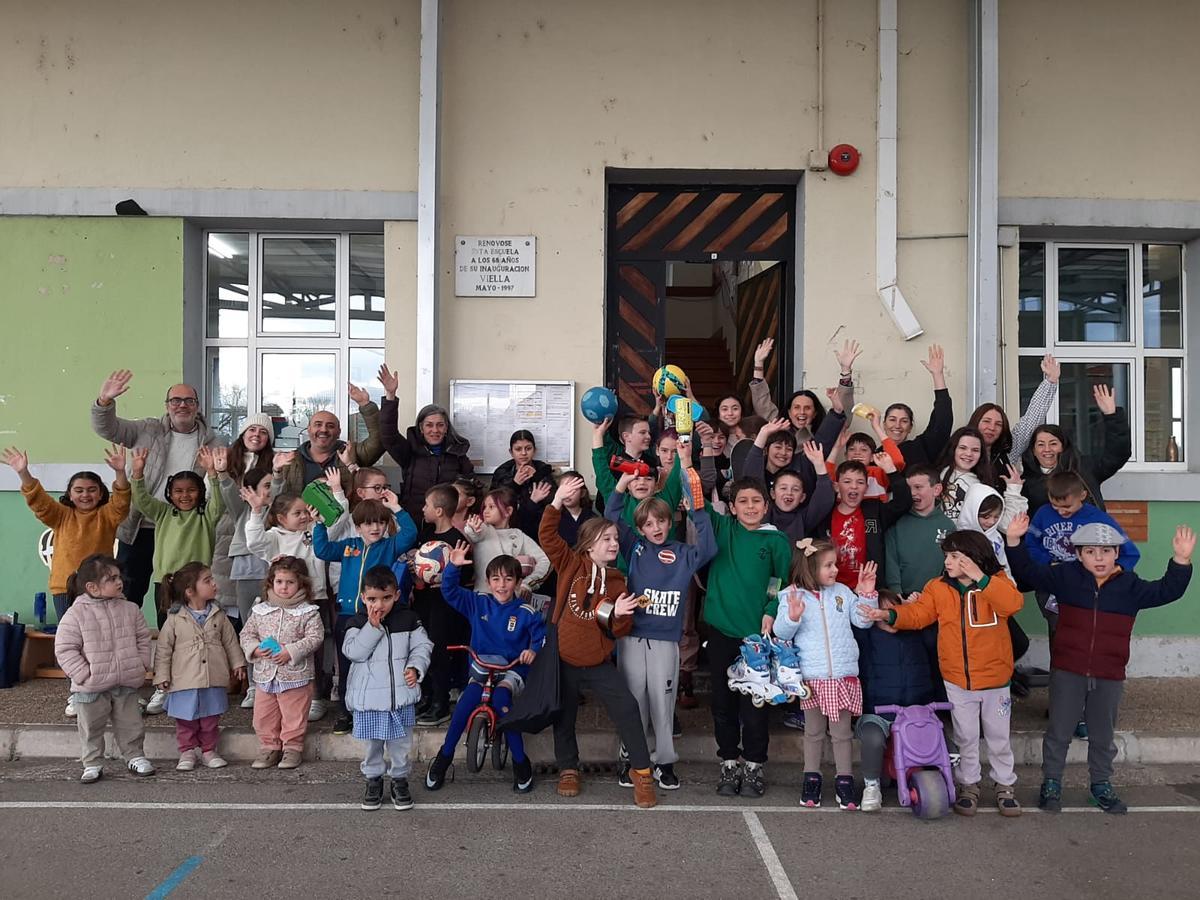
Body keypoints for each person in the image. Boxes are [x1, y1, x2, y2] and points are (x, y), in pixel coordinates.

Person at [1006, 516, 1194, 814]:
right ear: (1078, 554)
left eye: (1106, 551)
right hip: (1067, 671)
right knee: (1059, 732)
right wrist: (1014, 541)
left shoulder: (1130, 586)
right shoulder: (1065, 577)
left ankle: (1101, 784)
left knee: (1102, 735)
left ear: (1117, 553)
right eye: (1091, 551)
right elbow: (1027, 571)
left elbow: (1166, 591)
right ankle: (1051, 783)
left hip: (1109, 674)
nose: (1099, 557)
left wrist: (1181, 561)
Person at [859, 530, 1025, 817]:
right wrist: (890, 615)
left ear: (973, 558)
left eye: (955, 556)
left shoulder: (997, 582)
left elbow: (1012, 604)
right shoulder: (937, 587)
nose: (947, 561)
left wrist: (981, 578)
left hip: (995, 680)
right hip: (957, 680)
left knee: (998, 737)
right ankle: (969, 785)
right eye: (946, 556)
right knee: (966, 736)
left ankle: (1005, 785)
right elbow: (919, 615)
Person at [539, 475, 658, 808]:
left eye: (616, 538)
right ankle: (568, 768)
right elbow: (547, 536)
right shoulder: (570, 563)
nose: (614, 544)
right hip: (564, 659)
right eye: (606, 539)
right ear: (589, 544)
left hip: (597, 662)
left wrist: (619, 614)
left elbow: (618, 630)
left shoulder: (619, 582)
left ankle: (642, 773)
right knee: (564, 715)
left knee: (628, 709)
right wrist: (556, 500)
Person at [605, 447, 717, 791]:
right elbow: (611, 513)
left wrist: (698, 510)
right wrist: (622, 483)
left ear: (671, 522)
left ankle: (664, 762)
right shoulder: (634, 548)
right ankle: (632, 757)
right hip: (632, 637)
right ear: (639, 529)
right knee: (634, 699)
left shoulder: (683, 553)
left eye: (661, 521)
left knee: (662, 701)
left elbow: (709, 548)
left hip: (666, 641)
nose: (655, 528)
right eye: (648, 524)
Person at [90, 369, 224, 614]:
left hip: (185, 531)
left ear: (197, 406)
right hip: (141, 525)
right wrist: (104, 402)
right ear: (167, 405)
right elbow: (108, 429)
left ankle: (173, 636)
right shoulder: (148, 429)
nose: (182, 405)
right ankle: (123, 635)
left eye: (188, 401)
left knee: (178, 595)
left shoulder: (214, 443)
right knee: (127, 591)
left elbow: (223, 483)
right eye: (176, 400)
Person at [425, 544, 545, 794]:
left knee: (502, 700)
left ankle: (521, 763)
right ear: (488, 582)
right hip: (481, 667)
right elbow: (449, 591)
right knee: (465, 704)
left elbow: (540, 636)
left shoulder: (526, 612)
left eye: (508, 579)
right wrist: (453, 567)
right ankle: (443, 758)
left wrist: (532, 650)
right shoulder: (478, 602)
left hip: (511, 669)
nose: (502, 585)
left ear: (518, 582)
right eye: (496, 579)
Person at [703, 477, 793, 798]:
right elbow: (695, 499)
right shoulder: (723, 529)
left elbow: (778, 581)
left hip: (756, 638)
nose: (750, 507)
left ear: (766, 506)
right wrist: (685, 461)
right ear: (732, 507)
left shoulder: (776, 541)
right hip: (721, 632)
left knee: (755, 705)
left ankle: (754, 764)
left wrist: (771, 607)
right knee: (722, 703)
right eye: (743, 501)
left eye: (756, 501)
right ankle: (729, 761)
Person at [774, 541, 878, 810]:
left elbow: (863, 621)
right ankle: (811, 779)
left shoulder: (842, 592)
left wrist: (867, 594)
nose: (835, 570)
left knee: (842, 733)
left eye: (835, 564)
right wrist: (792, 617)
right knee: (813, 732)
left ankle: (845, 780)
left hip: (842, 675)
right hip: (813, 677)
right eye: (828, 565)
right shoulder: (792, 595)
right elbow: (781, 632)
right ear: (810, 567)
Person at [313, 494, 419, 735]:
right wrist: (319, 524)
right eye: (369, 523)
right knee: (346, 667)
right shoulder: (349, 546)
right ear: (358, 526)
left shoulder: (390, 545)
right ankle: (345, 712)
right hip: (348, 615)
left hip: (380, 617)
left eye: (381, 522)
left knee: (376, 666)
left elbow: (410, 534)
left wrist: (396, 508)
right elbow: (322, 550)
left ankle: (374, 709)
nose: (376, 528)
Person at [53, 554, 155, 783]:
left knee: (131, 723)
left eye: (119, 577)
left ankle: (135, 756)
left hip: (126, 680)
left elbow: (143, 638)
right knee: (90, 727)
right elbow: (65, 648)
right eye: (111, 579)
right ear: (92, 587)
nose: (119, 582)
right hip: (91, 686)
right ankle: (92, 763)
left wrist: (141, 663)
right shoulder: (76, 614)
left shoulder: (130, 609)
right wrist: (84, 674)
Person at [4, 445, 130, 626]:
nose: (85, 495)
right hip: (64, 589)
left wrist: (120, 472)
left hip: (102, 586)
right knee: (70, 635)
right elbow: (39, 501)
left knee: (99, 634)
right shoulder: (61, 515)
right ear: (70, 494)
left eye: (91, 490)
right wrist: (23, 473)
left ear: (101, 493)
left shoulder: (107, 515)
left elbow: (121, 502)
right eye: (79, 490)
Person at [343, 566, 433, 812]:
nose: (379, 605)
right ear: (363, 597)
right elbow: (353, 652)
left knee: (401, 745)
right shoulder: (357, 622)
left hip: (400, 697)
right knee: (372, 745)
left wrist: (415, 667)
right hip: (369, 700)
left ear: (397, 595)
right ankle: (373, 780)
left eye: (386, 598)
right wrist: (372, 627)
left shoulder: (409, 619)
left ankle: (399, 780)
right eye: (372, 599)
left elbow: (422, 647)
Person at [243, 487, 331, 719]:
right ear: (282, 518)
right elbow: (254, 541)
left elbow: (335, 525)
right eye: (297, 513)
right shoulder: (274, 537)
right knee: (281, 648)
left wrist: (320, 517)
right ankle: (277, 691)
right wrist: (256, 511)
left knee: (313, 650)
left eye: (305, 511)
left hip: (314, 597)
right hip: (280, 604)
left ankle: (315, 697)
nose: (304, 516)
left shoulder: (314, 529)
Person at [153, 562, 247, 771]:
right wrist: (161, 675)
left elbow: (230, 641)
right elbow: (163, 649)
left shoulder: (219, 615)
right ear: (190, 591)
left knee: (210, 719)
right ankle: (187, 751)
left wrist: (238, 663)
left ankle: (208, 750)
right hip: (183, 679)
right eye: (207, 580)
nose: (214, 583)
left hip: (213, 677)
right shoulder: (175, 618)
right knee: (185, 720)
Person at [129, 445, 226, 640]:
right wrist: (138, 473)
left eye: (191, 490)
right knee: (167, 629)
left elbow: (219, 503)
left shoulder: (206, 515)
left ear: (200, 492)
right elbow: (141, 500)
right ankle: (170, 660)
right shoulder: (163, 512)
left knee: (197, 628)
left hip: (197, 583)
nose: (185, 495)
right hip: (166, 582)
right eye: (178, 491)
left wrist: (211, 472)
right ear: (170, 494)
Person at [855, 589, 938, 812]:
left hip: (916, 711)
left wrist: (915, 609)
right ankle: (871, 786)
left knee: (942, 743)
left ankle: (940, 780)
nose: (887, 615)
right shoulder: (867, 637)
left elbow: (934, 639)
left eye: (893, 610)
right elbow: (857, 627)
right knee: (873, 739)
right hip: (878, 712)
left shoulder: (916, 634)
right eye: (881, 610)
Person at [239, 556, 325, 770]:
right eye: (279, 582)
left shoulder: (308, 612)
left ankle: (292, 748)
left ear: (301, 584)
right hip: (265, 675)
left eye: (290, 582)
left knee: (294, 715)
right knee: (263, 715)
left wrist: (291, 651)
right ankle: (269, 747)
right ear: (271, 582)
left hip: (295, 675)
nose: (284, 587)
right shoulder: (260, 610)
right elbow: (246, 634)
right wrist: (255, 648)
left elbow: (315, 637)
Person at [408, 484, 473, 726]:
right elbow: (419, 572)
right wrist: (416, 571)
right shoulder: (425, 536)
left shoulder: (458, 541)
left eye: (426, 505)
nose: (422, 509)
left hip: (445, 606)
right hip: (424, 601)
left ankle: (441, 702)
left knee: (439, 651)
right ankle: (426, 697)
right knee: (422, 647)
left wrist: (447, 577)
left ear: (439, 511)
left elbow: (467, 575)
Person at [378, 366, 474, 523]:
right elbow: (389, 436)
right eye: (429, 425)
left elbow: (470, 490)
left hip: (447, 525)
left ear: (446, 428)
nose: (435, 430)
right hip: (414, 522)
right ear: (421, 428)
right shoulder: (409, 452)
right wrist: (390, 396)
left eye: (440, 425)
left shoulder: (458, 455)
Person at [1020, 384, 1130, 516]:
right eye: (1041, 444)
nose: (1047, 449)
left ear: (1063, 446)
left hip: (1087, 529)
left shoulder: (1083, 468)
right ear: (1033, 450)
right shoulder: (1025, 481)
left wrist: (1112, 416)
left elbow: (1117, 454)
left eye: (1053, 443)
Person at [213, 413, 275, 626]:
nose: (257, 435)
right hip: (228, 533)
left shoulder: (273, 463)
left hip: (258, 534)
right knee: (228, 594)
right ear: (243, 433)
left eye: (263, 431)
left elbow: (277, 494)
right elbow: (214, 495)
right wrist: (219, 471)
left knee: (259, 601)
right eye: (252, 429)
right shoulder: (226, 458)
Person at [270, 384, 386, 498]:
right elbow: (278, 498)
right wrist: (277, 471)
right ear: (309, 429)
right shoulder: (291, 460)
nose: (324, 430)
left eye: (330, 426)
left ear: (339, 432)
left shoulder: (351, 452)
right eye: (318, 424)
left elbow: (379, 440)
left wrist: (365, 405)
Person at [821, 456, 911, 591]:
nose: (854, 486)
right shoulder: (825, 514)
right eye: (847, 481)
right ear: (837, 486)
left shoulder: (874, 510)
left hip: (869, 589)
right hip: (832, 590)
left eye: (860, 482)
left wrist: (891, 470)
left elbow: (904, 502)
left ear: (866, 488)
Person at [748, 337, 859, 445]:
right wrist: (758, 363)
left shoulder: (824, 432)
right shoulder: (778, 428)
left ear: (815, 413)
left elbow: (843, 417)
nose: (802, 412)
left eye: (807, 408)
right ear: (789, 412)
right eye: (796, 407)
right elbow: (762, 404)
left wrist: (846, 371)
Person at [967, 352, 1059, 474]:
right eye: (986, 421)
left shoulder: (1008, 451)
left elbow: (1030, 420)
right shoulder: (960, 448)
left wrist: (1050, 381)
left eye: (998, 424)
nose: (992, 427)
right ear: (975, 421)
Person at [741, 435, 834, 541]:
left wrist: (820, 466)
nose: (789, 493)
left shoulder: (803, 518)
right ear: (773, 493)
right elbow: (752, 478)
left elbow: (824, 501)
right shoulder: (763, 512)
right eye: (783, 488)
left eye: (795, 489)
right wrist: (764, 432)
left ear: (802, 497)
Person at [462, 487, 551, 595]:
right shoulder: (484, 529)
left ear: (508, 511)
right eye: (484, 507)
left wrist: (527, 584)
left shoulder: (519, 535)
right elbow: (474, 534)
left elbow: (545, 561)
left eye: (491, 507)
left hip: (512, 598)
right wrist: (472, 528)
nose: (485, 511)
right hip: (483, 597)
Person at [883, 465, 955, 595]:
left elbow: (950, 567)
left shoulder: (948, 526)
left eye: (918, 487)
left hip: (935, 597)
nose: (912, 493)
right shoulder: (896, 522)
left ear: (936, 489)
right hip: (902, 598)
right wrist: (897, 594)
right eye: (908, 488)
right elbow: (891, 561)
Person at [879, 344, 953, 467]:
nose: (897, 425)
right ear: (884, 425)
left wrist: (938, 375)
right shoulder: (875, 455)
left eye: (904, 421)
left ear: (910, 427)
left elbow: (943, 421)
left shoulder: (921, 448)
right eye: (892, 420)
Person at [491, 429, 556, 538]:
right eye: (518, 449)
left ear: (534, 450)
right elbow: (495, 502)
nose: (524, 453)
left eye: (528, 448)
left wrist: (536, 478)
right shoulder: (502, 472)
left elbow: (553, 501)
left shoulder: (543, 470)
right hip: (510, 526)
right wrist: (515, 484)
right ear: (511, 452)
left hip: (539, 525)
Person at [936, 427, 993, 522]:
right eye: (963, 448)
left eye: (975, 450)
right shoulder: (937, 474)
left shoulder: (983, 485)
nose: (969, 454)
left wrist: (1013, 488)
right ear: (953, 449)